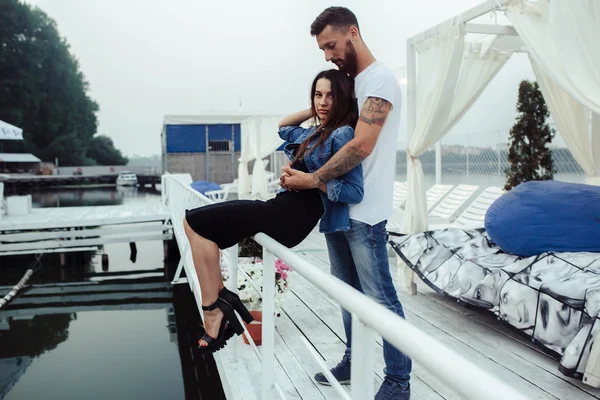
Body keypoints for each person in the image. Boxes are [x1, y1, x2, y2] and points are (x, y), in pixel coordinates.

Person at [280, 7, 412, 399]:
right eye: (323, 49)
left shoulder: (380, 81)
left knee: (381, 299)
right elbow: (319, 122)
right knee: (347, 294)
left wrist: (313, 179)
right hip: (336, 210)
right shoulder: (352, 82)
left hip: (366, 214)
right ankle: (355, 359)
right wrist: (318, 100)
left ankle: (398, 380)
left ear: (353, 33)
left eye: (331, 46)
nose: (328, 55)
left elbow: (362, 144)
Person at [183, 68, 364, 354]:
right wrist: (315, 110)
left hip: (290, 219)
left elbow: (355, 191)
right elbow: (282, 126)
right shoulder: (315, 131)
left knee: (196, 221)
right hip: (280, 208)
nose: (323, 101)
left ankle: (213, 310)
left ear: (343, 98)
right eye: (318, 95)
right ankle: (220, 298)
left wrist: (310, 182)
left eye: (331, 96)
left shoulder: (342, 135)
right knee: (196, 226)